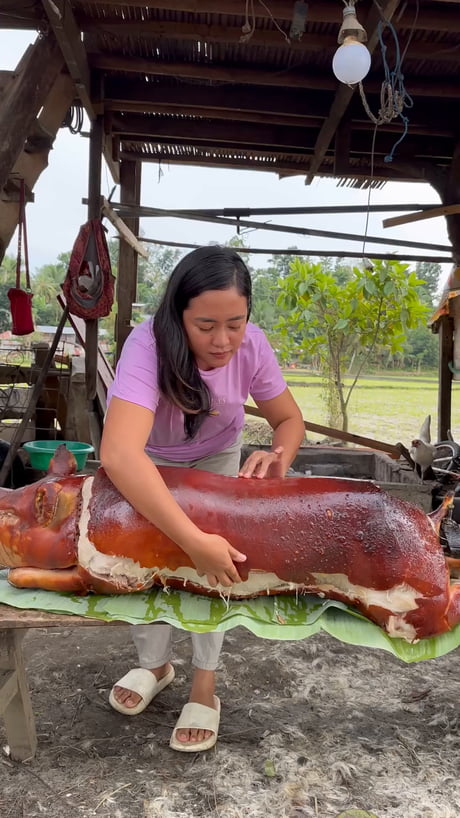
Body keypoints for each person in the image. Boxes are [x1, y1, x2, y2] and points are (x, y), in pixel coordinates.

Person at [100, 245, 305, 752]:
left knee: (218, 563)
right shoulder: (147, 345)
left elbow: (289, 420)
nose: (223, 340)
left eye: (235, 323)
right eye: (205, 325)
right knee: (146, 560)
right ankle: (155, 665)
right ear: (178, 314)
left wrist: (278, 454)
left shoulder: (252, 346)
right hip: (152, 460)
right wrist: (189, 538)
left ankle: (204, 685)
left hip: (216, 458)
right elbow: (120, 454)